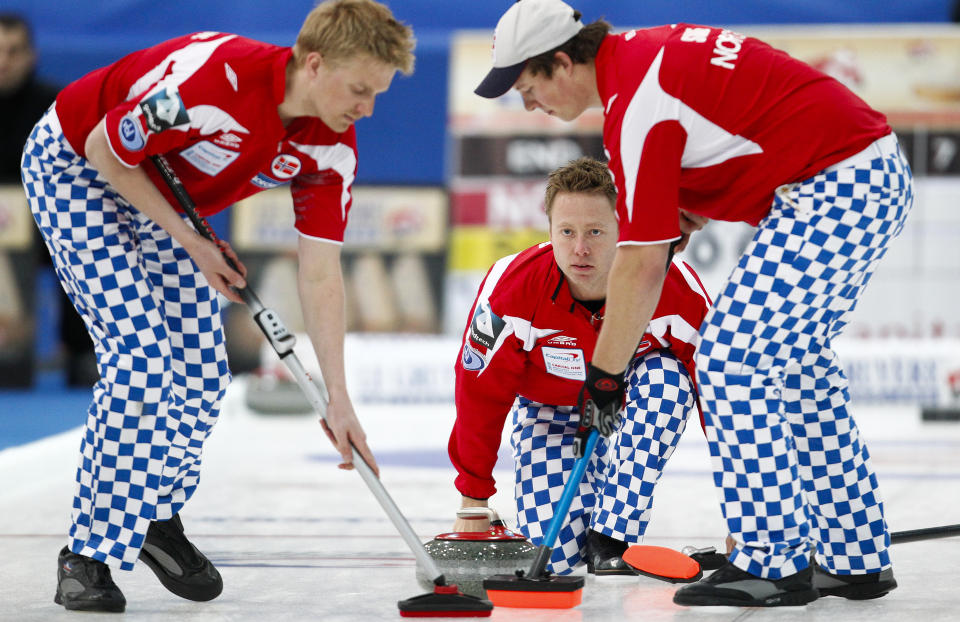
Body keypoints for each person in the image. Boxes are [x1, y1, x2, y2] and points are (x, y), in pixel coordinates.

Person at [474, 0, 912, 607]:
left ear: (558, 62)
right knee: (801, 372)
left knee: (731, 361)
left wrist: (605, 373)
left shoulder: (634, 103)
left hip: (834, 187)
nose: (528, 104)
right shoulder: (641, 60)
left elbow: (643, 263)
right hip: (864, 174)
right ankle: (853, 556)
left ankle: (770, 560)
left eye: (527, 87)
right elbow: (724, 150)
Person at [20, 0, 414, 613]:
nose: (366, 109)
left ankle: (151, 516)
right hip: (78, 172)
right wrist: (194, 243)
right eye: (361, 89)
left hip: (168, 208)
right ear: (314, 64)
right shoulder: (208, 81)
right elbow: (105, 148)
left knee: (205, 381)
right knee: (143, 362)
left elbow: (321, 272)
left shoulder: (330, 148)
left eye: (377, 95)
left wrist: (338, 398)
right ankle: (88, 554)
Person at [448, 157, 710, 575]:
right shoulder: (510, 291)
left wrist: (745, 518)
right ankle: (582, 534)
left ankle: (613, 537)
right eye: (566, 232)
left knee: (668, 382)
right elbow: (478, 395)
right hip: (551, 416)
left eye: (595, 232)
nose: (580, 249)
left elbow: (720, 398)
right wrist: (473, 501)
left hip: (625, 413)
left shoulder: (673, 286)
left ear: (624, 230)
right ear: (549, 228)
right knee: (559, 562)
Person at [0, 14, 97, 388]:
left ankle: (83, 354)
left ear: (31, 55)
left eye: (13, 51)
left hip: (47, 224)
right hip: (4, 236)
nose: (4, 61)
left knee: (85, 232)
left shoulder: (57, 107)